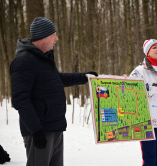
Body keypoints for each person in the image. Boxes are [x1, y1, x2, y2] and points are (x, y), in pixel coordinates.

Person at [10, 17, 98, 166]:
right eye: (53, 35)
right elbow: (20, 99)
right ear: (43, 37)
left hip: (55, 127)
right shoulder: (24, 61)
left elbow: (57, 79)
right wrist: (36, 130)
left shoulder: (44, 58)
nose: (56, 39)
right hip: (40, 130)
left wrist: (84, 77)